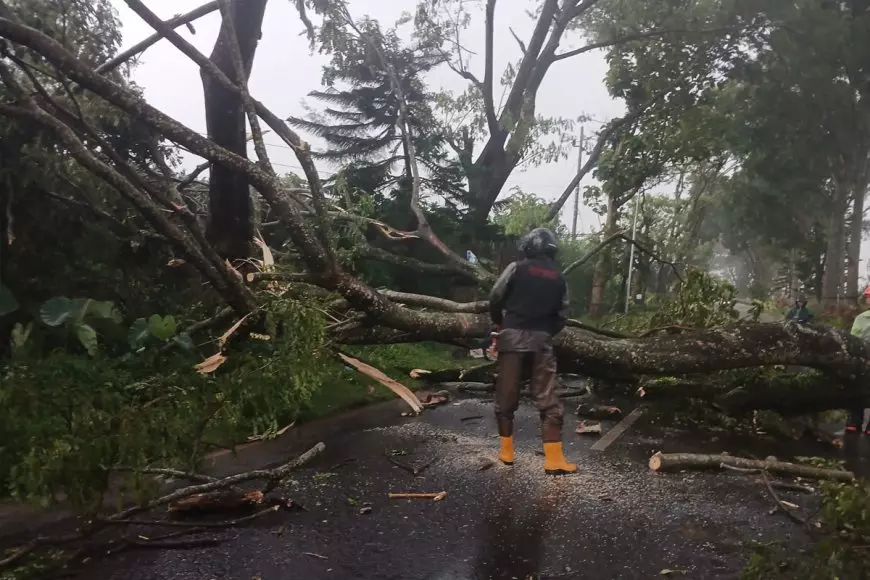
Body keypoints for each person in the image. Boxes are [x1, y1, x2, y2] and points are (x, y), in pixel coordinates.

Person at [488, 228, 575, 475]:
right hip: (542, 341)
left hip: (512, 337)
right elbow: (563, 314)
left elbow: (495, 296)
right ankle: (554, 459)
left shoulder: (516, 268)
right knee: (548, 398)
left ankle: (506, 452)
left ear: (528, 247)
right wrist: (546, 332)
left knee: (506, 396)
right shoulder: (559, 278)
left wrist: (500, 322)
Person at [847, 300, 870, 435]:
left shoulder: (861, 318)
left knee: (859, 386)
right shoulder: (861, 318)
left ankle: (855, 421)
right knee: (857, 386)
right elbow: (853, 339)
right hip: (863, 357)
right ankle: (854, 420)